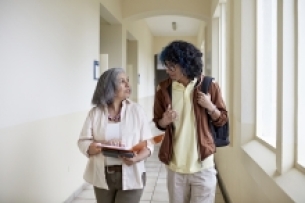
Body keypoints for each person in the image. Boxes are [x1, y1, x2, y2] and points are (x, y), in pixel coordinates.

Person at [153, 40, 228, 203]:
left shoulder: (209, 86)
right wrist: (164, 121)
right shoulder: (163, 90)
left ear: (186, 64)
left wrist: (210, 106)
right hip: (175, 166)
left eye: (172, 66)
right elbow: (158, 123)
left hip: (203, 166)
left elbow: (222, 120)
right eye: (166, 65)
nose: (168, 70)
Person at [78, 67, 154, 203]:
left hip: (132, 174)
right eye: (122, 81)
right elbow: (83, 141)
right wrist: (99, 146)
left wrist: (136, 158)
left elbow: (149, 145)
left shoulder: (137, 111)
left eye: (128, 81)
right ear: (109, 86)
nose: (128, 85)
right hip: (102, 176)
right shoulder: (95, 113)